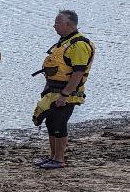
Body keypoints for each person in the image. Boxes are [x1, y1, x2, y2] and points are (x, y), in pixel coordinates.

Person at [34, 10, 94, 170]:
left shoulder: (79, 45)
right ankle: (53, 156)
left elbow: (78, 72)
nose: (54, 26)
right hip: (53, 91)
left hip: (66, 93)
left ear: (68, 24)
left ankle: (59, 159)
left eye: (57, 22)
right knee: (50, 122)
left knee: (59, 123)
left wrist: (65, 94)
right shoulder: (64, 42)